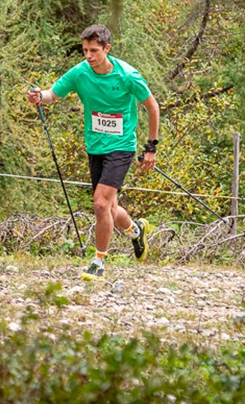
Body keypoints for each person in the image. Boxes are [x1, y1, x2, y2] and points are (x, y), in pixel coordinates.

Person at [28, 24, 160, 280]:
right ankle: (135, 231)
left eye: (94, 51)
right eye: (85, 50)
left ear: (107, 49)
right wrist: (38, 96)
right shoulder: (79, 73)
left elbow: (152, 107)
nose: (88, 56)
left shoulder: (127, 75)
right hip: (95, 146)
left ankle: (98, 262)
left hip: (122, 147)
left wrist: (151, 148)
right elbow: (52, 96)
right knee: (109, 209)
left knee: (100, 203)